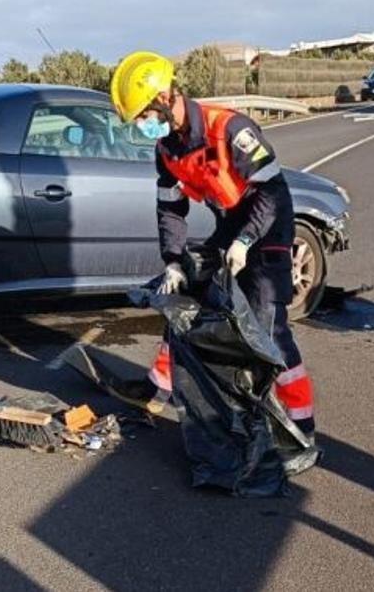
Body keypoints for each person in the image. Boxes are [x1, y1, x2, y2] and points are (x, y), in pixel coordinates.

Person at [110, 51, 320, 476]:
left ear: (166, 97)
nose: (140, 125)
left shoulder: (232, 130)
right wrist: (172, 261)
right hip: (232, 227)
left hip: (268, 230)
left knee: (267, 334)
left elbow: (273, 193)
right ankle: (161, 386)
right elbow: (170, 208)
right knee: (187, 298)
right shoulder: (167, 148)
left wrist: (245, 241)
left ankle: (302, 432)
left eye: (142, 115)